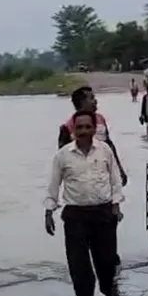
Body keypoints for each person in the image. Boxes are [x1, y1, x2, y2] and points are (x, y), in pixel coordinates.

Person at [45, 109, 124, 296]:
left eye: (88, 126)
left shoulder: (105, 151)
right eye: (79, 127)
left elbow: (115, 180)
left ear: (94, 128)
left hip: (103, 215)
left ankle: (109, 289)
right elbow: (54, 185)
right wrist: (49, 211)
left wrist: (116, 205)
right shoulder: (62, 156)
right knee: (79, 270)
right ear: (73, 130)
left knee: (106, 263)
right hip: (75, 217)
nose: (84, 131)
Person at [58, 86, 127, 266]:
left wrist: (119, 169)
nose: (95, 101)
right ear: (81, 103)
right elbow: (63, 158)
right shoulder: (67, 127)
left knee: (111, 216)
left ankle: (110, 254)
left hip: (104, 175)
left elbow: (109, 145)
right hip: (83, 182)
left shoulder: (101, 120)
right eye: (91, 98)